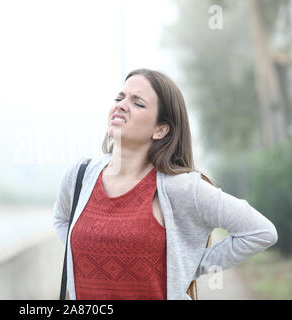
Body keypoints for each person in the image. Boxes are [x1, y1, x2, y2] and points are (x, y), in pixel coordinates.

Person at [52, 68, 278, 300]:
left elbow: (260, 232)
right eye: (119, 98)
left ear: (160, 130)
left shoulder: (181, 188)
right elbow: (61, 219)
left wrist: (187, 265)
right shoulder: (80, 175)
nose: (121, 105)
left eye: (137, 103)